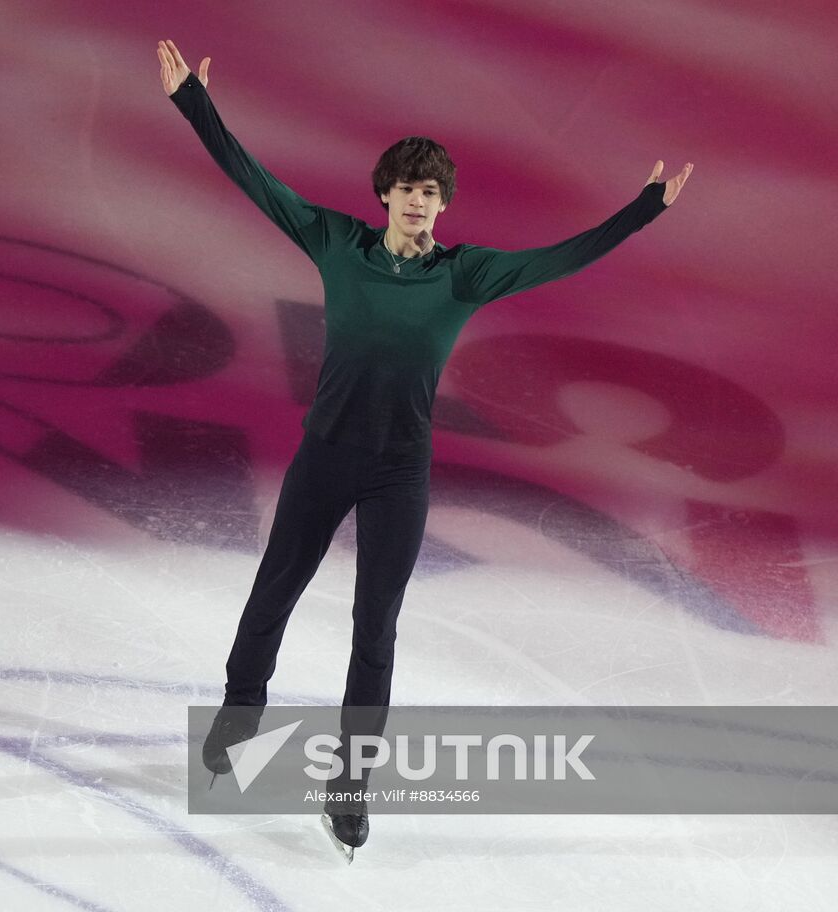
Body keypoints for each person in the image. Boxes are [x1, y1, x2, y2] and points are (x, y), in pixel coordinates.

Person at [157, 39, 692, 857]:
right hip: (324, 456)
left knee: (377, 631)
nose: (419, 201)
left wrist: (645, 207)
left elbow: (562, 258)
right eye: (408, 188)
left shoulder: (466, 274)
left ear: (444, 205)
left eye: (432, 192)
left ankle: (350, 786)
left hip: (399, 474)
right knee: (272, 597)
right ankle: (239, 716)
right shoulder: (337, 242)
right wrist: (194, 102)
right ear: (385, 195)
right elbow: (256, 181)